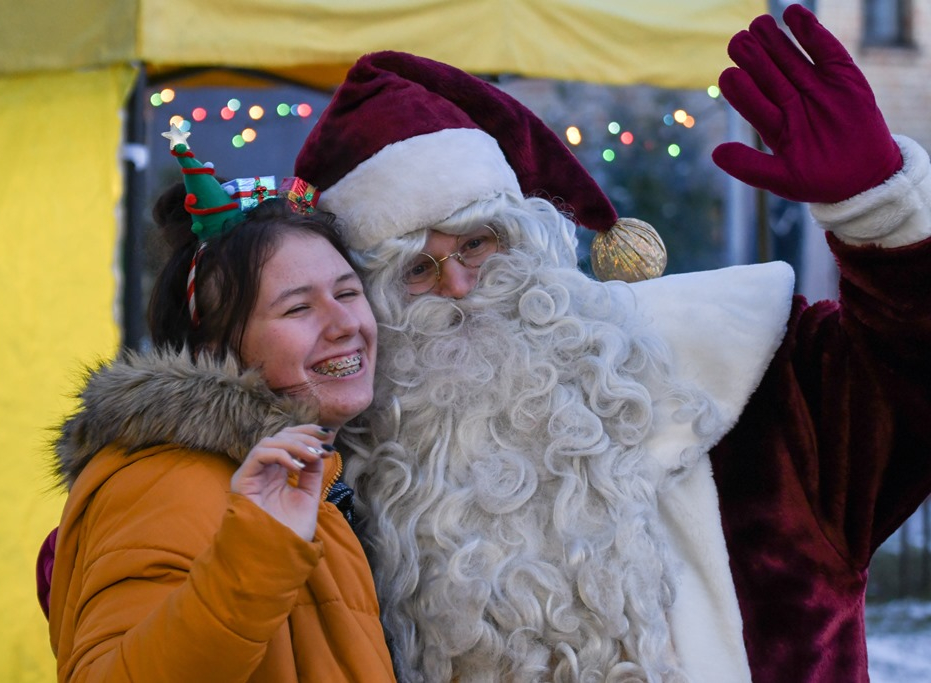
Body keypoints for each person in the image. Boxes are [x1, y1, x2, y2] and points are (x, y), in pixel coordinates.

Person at [292, 6, 931, 683]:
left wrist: (880, 212)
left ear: (527, 241)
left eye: (478, 243)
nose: (459, 285)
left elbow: (910, 371)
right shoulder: (338, 496)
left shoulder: (740, 378)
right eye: (417, 269)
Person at [37, 128, 394, 682]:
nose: (346, 324)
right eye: (298, 309)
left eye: (348, 293)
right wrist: (257, 553)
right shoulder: (163, 479)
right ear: (214, 349)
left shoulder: (307, 464)